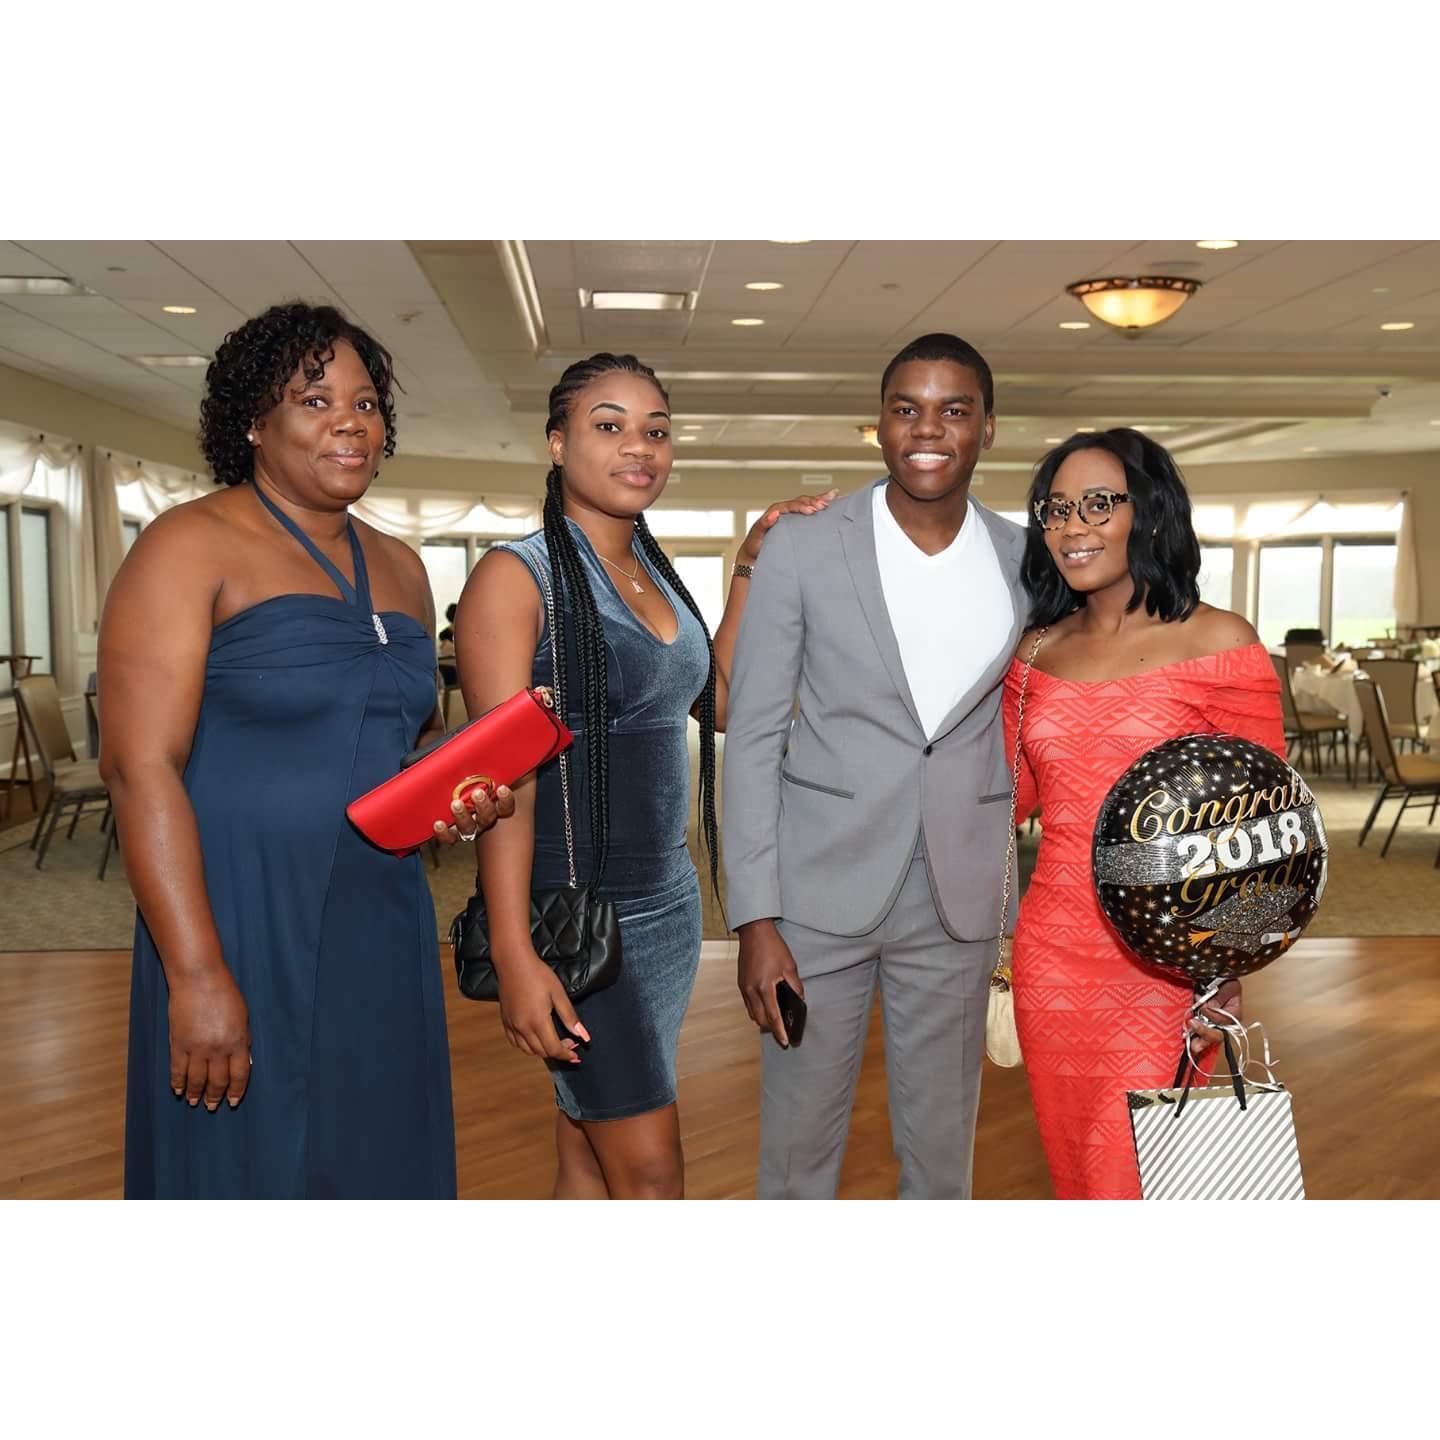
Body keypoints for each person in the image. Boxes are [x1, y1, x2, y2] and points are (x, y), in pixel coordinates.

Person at [100, 301, 508, 1200]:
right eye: (316, 400)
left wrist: (453, 793)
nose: (349, 423)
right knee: (242, 1165)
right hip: (236, 912)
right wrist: (197, 973)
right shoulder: (187, 544)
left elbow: (403, 743)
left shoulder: (401, 566)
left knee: (375, 1154)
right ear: (253, 419)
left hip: (380, 917)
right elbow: (138, 769)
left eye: (365, 404)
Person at [455, 351, 834, 1199]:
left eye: (656, 430)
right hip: (577, 913)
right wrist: (515, 953)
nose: (640, 446)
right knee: (652, 1179)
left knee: (589, 1152)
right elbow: (500, 786)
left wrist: (748, 568)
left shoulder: (654, 571)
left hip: (667, 908)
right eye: (610, 425)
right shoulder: (518, 578)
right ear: (557, 443)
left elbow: (721, 705)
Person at [722, 333, 1026, 1200]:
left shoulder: (1025, 561)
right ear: (880, 427)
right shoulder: (805, 547)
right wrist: (755, 918)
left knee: (942, 1161)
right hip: (814, 899)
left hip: (957, 899)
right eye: (906, 409)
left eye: (954, 410)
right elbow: (751, 735)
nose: (928, 429)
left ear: (987, 430)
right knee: (796, 1155)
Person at [1003, 428, 1285, 1199]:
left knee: (1140, 1174)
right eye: (1056, 509)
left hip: (1172, 957)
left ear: (1150, 511)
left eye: (1099, 503)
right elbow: (1005, 798)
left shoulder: (1221, 643)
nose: (1072, 526)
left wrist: (1227, 968)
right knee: (1078, 1175)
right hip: (1054, 952)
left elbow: (1267, 837)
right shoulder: (1032, 655)